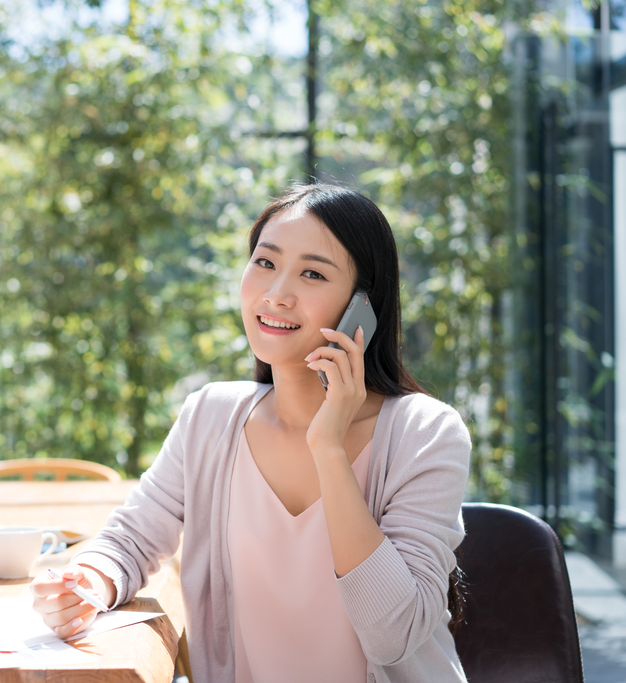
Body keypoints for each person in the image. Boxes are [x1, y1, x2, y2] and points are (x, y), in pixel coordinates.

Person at [29, 183, 470, 683]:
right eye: (265, 263)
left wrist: (328, 448)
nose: (276, 294)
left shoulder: (426, 434)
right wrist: (89, 581)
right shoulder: (211, 417)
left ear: (361, 309)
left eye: (312, 274)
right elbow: (130, 539)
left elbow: (394, 636)